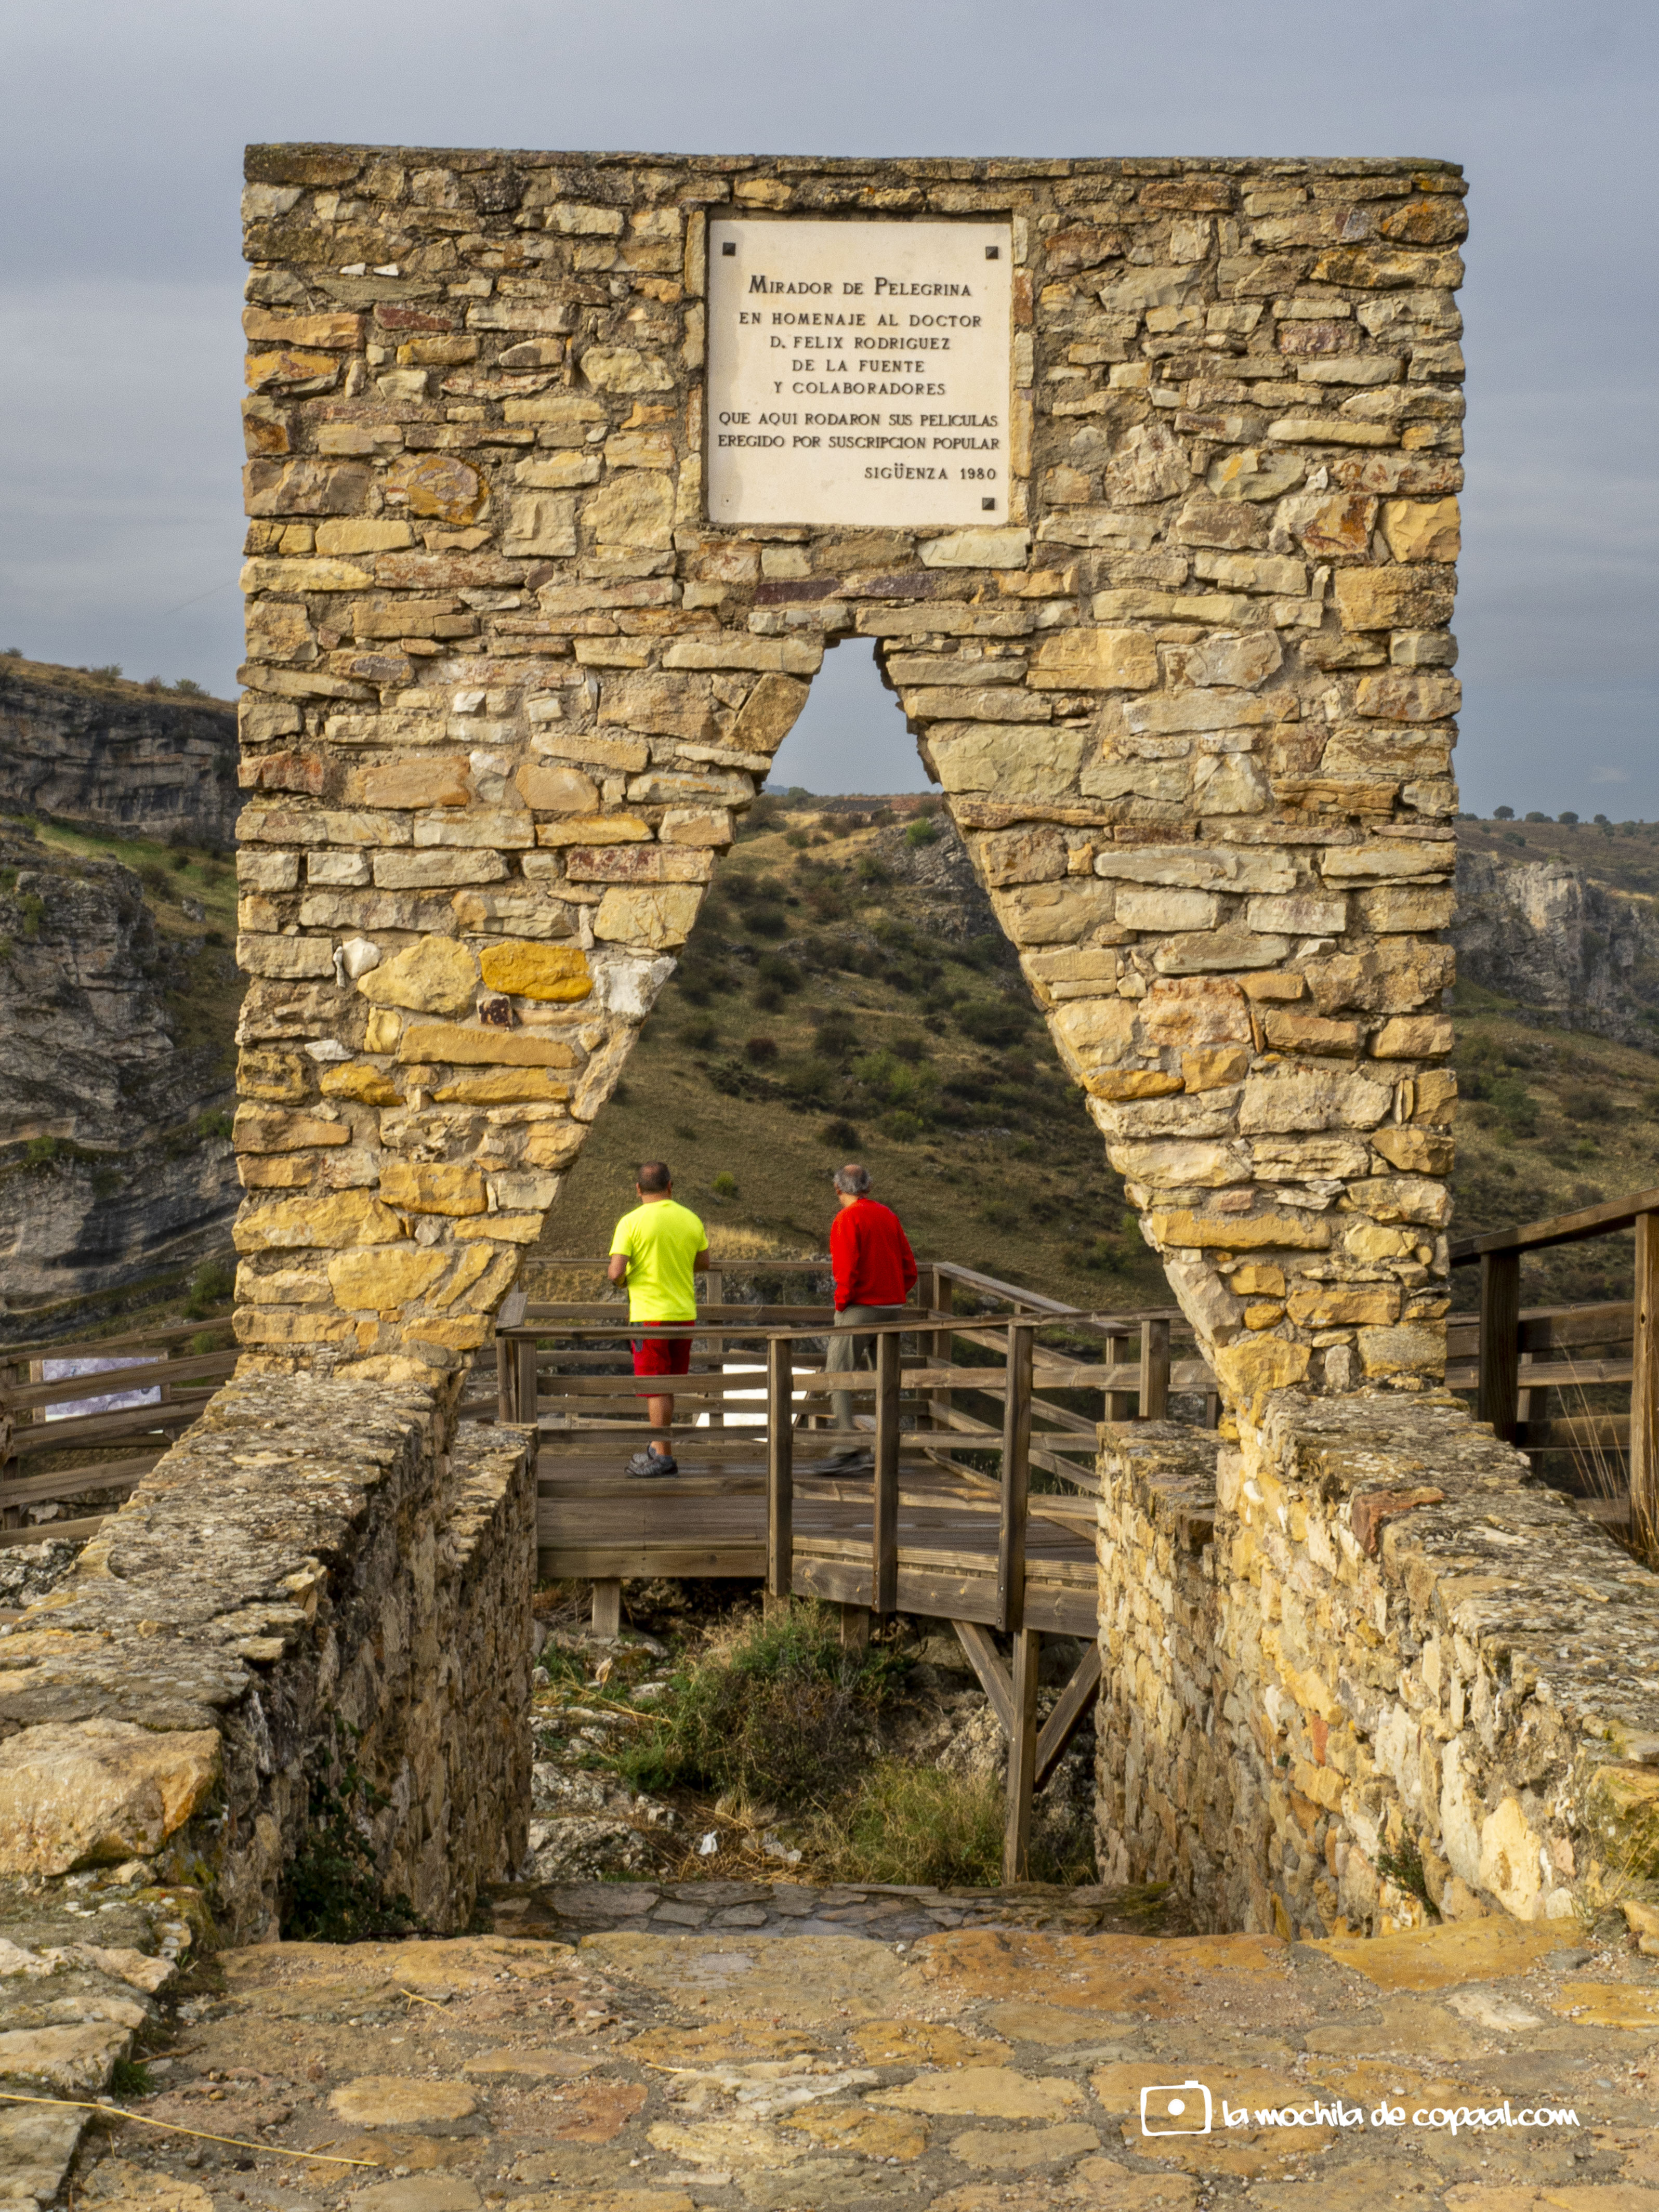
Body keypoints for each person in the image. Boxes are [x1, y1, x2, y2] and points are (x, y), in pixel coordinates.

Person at [608, 1162, 709, 1478]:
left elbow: (615, 1273)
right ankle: (659, 1446)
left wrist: (626, 1281)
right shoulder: (690, 1219)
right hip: (683, 1315)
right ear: (670, 1186)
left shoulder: (630, 1222)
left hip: (649, 1316)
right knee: (669, 1386)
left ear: (638, 1189)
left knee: (656, 1387)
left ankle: (663, 1456)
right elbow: (704, 1263)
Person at [824, 1163, 917, 1468]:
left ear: (838, 1190)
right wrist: (894, 1293)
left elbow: (846, 1270)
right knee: (886, 1380)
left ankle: (845, 1448)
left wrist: (842, 1304)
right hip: (892, 1309)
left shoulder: (846, 1219)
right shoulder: (888, 1216)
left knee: (838, 1375)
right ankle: (887, 1450)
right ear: (869, 1187)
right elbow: (909, 1268)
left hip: (860, 1309)